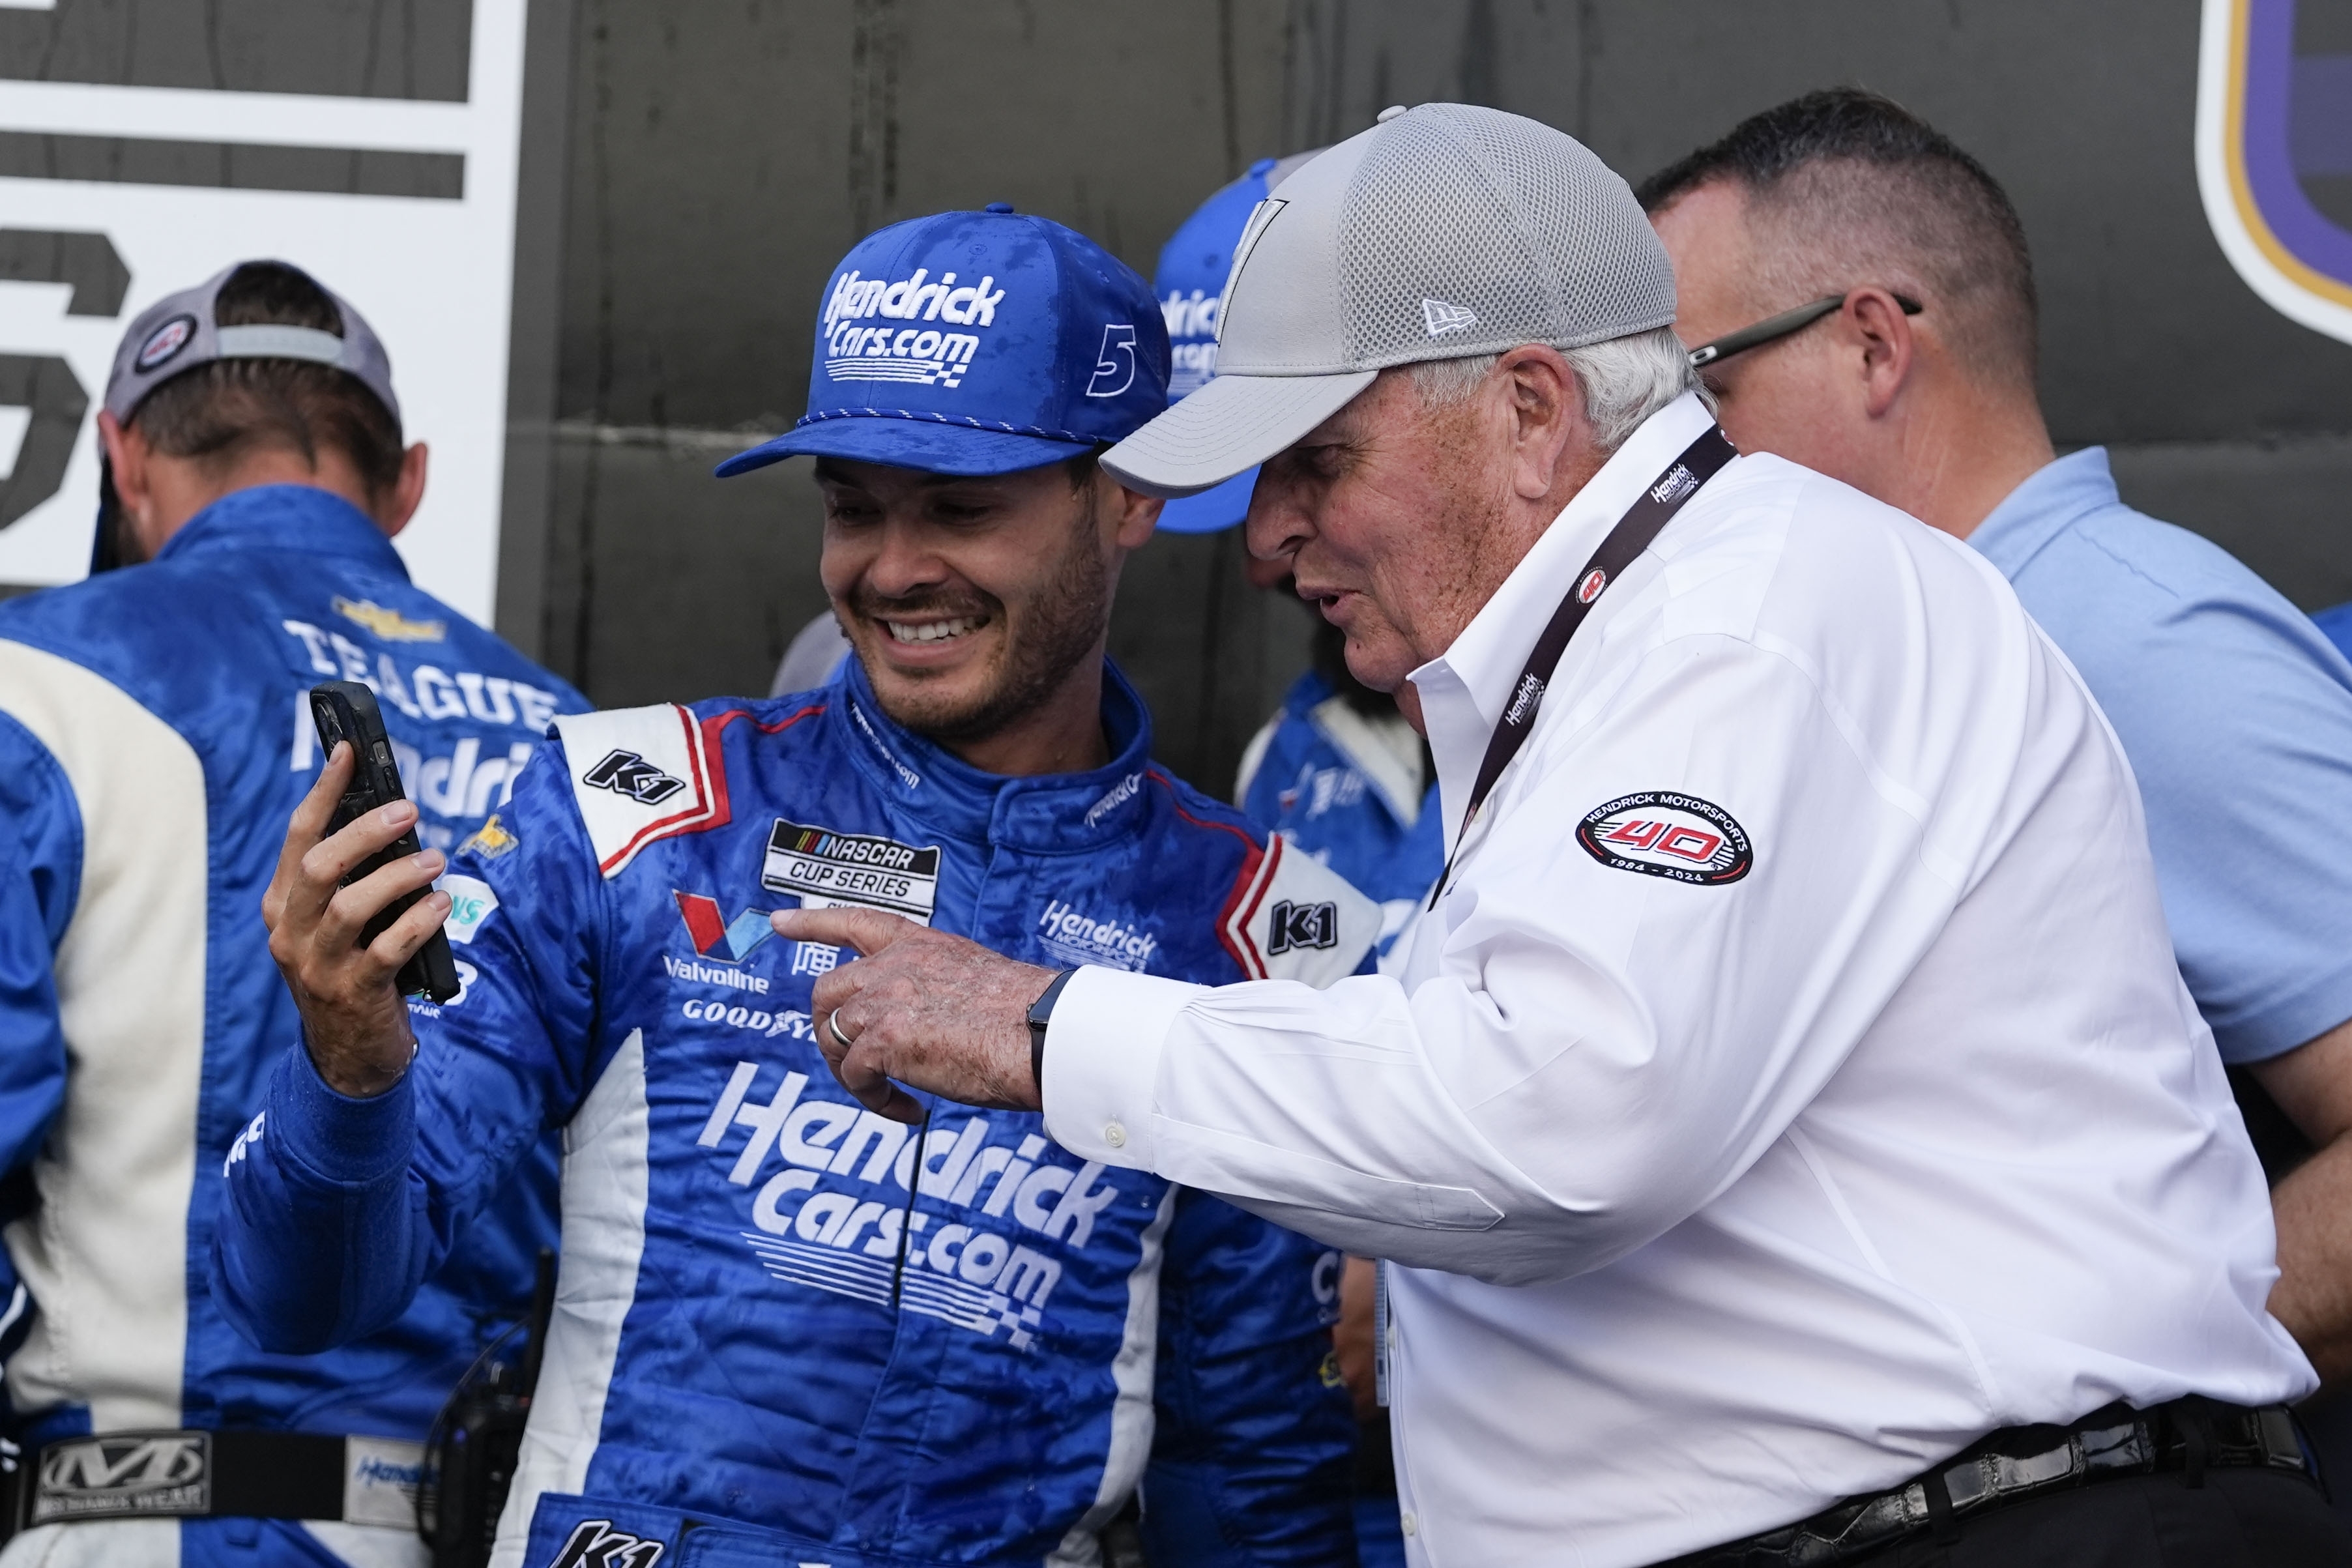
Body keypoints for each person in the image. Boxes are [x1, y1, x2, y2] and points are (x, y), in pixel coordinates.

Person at [761, 103, 2350, 1566]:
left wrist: (1044, 1026)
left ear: (1529, 412)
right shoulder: (1640, 637)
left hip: (1991, 1530)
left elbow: (1558, 1119)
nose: (1265, 539)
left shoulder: (1739, 614)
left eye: (1315, 461)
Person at [217, 207, 1374, 1567]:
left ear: (1129, 494)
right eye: (851, 506)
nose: (892, 568)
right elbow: (302, 1297)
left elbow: (1251, 1483)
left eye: (960, 507)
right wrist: (349, 1067)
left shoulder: (1257, 933)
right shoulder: (632, 814)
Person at [1635, 87, 2352, 1455]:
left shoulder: (2129, 645)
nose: (1665, 467)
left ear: (1870, 347)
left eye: (1701, 391)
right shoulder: (1932, 654)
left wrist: (2090, 1414)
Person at [0, 260, 583, 1566]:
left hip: (131, 1515)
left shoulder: (33, 685)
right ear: (408, 483)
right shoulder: (581, 746)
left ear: (122, 459)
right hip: (477, 1527)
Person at [1157, 154, 1430, 1568]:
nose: (1263, 547)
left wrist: (1411, 1236)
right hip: (1319, 1459)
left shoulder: (1667, 700)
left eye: (1307, 461)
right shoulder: (1287, 754)